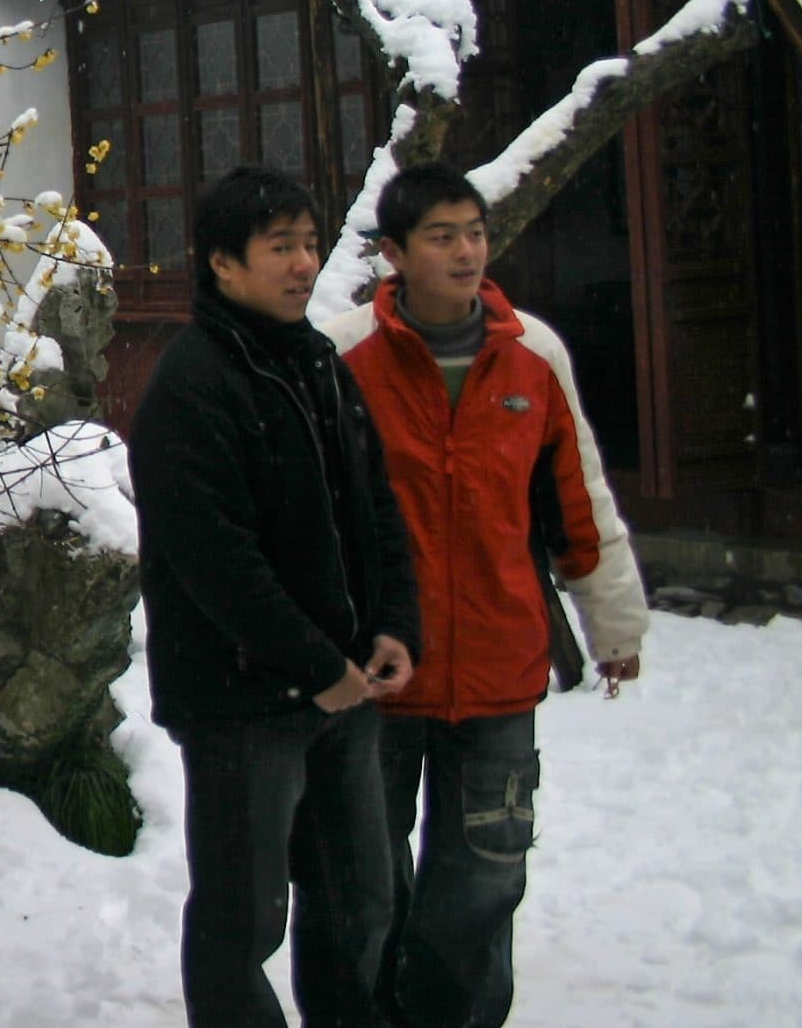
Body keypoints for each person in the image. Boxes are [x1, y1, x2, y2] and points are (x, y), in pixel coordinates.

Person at [318, 164, 647, 1028]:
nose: (467, 251)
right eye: (442, 235)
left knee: (484, 877)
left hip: (499, 666)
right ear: (392, 254)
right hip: (377, 673)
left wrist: (613, 622)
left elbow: (580, 500)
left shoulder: (531, 353)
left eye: (475, 232)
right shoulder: (343, 357)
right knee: (363, 881)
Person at [130, 166, 424, 1028]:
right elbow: (214, 559)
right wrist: (310, 662)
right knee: (242, 920)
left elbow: (374, 506)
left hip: (346, 688)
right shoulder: (192, 384)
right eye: (280, 247)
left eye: (309, 244)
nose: (303, 264)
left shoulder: (319, 363)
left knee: (358, 900)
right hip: (241, 701)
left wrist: (394, 626)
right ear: (224, 264)